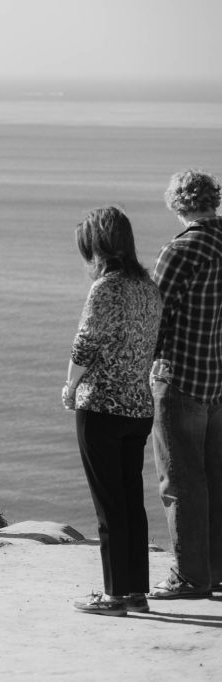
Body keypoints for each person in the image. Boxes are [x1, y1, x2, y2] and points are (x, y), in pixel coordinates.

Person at [63, 207, 162, 617]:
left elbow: (85, 344)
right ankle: (136, 591)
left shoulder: (105, 288)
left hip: (101, 406)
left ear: (97, 247)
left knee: (109, 505)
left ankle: (115, 596)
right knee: (130, 500)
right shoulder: (148, 287)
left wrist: (70, 387)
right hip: (139, 406)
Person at [148, 169, 222, 600]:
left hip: (180, 379)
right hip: (217, 377)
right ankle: (214, 571)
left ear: (178, 203)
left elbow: (155, 318)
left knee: (180, 483)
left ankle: (190, 577)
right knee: (214, 479)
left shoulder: (180, 251)